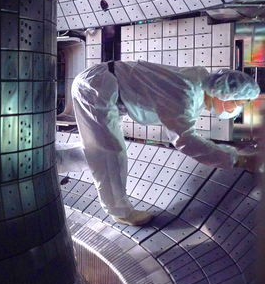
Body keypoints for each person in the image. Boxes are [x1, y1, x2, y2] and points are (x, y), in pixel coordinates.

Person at [68, 60, 261, 226]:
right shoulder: (186, 93)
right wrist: (238, 159)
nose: (238, 110)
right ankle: (120, 212)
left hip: (102, 87)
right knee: (109, 153)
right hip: (98, 87)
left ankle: (54, 160)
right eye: (240, 103)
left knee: (96, 152)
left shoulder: (196, 86)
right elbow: (186, 140)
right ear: (224, 94)